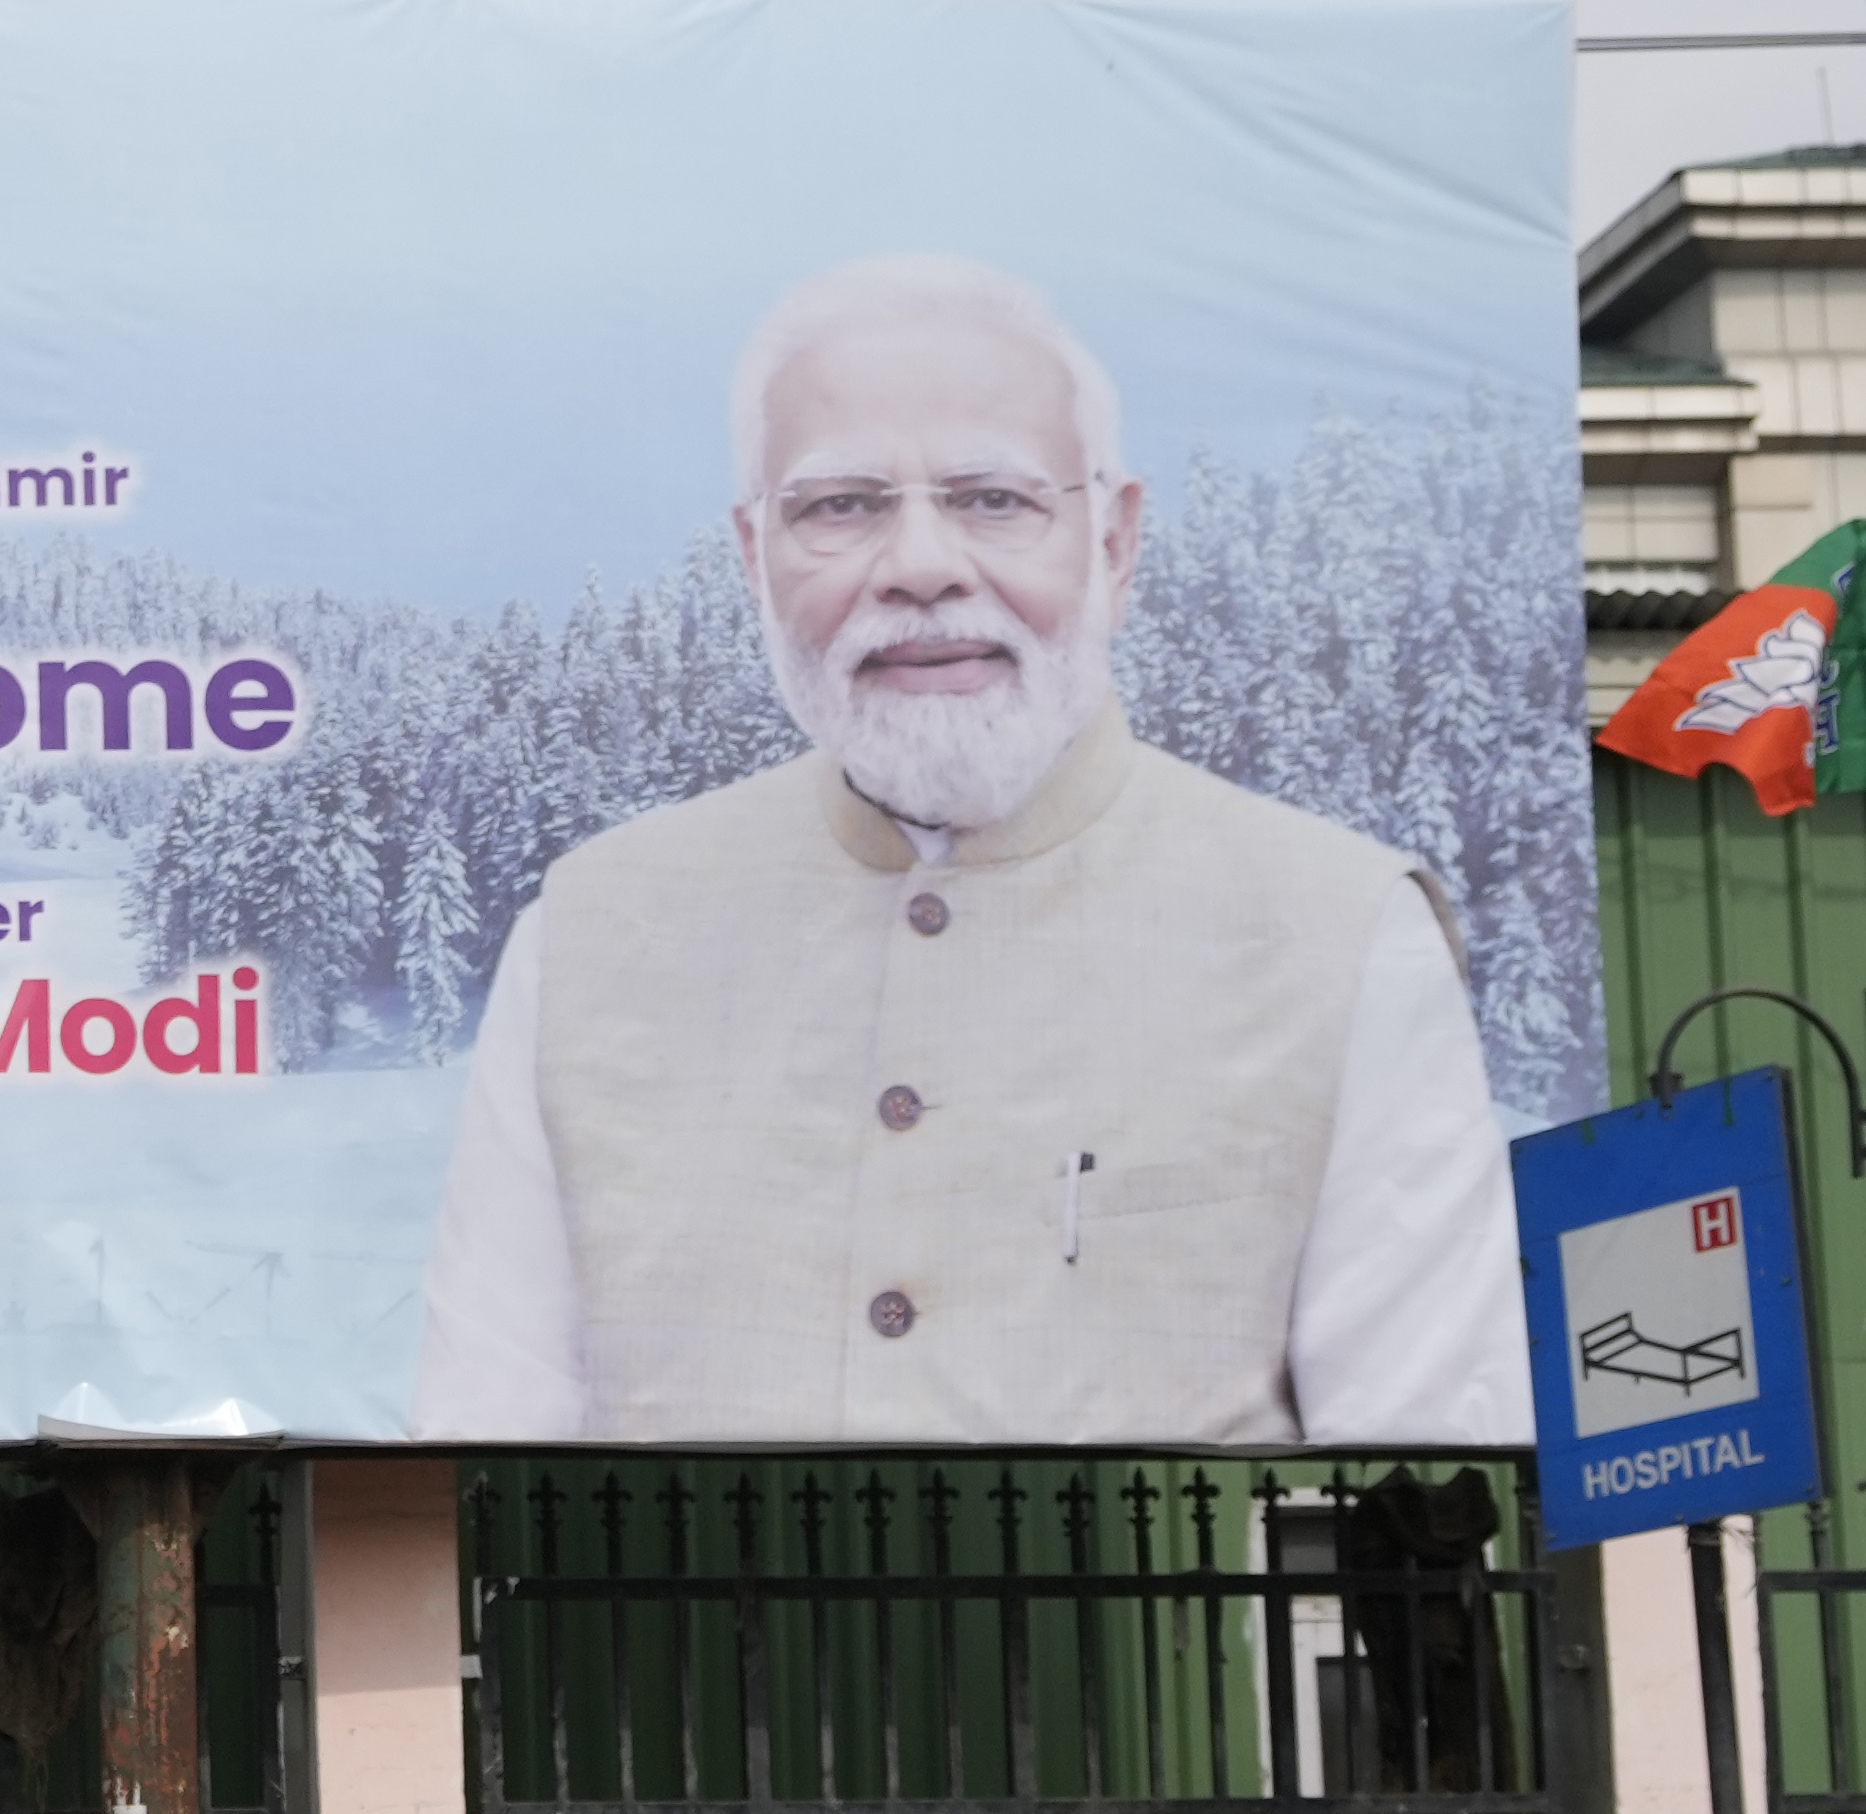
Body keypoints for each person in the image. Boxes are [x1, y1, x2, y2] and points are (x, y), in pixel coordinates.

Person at [411, 253, 1523, 1448]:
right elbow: (481, 1462)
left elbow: (1427, 1508)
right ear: (752, 556)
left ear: (1114, 540)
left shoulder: (1342, 932)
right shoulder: (591, 934)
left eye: (995, 498)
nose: (921, 566)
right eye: (841, 505)